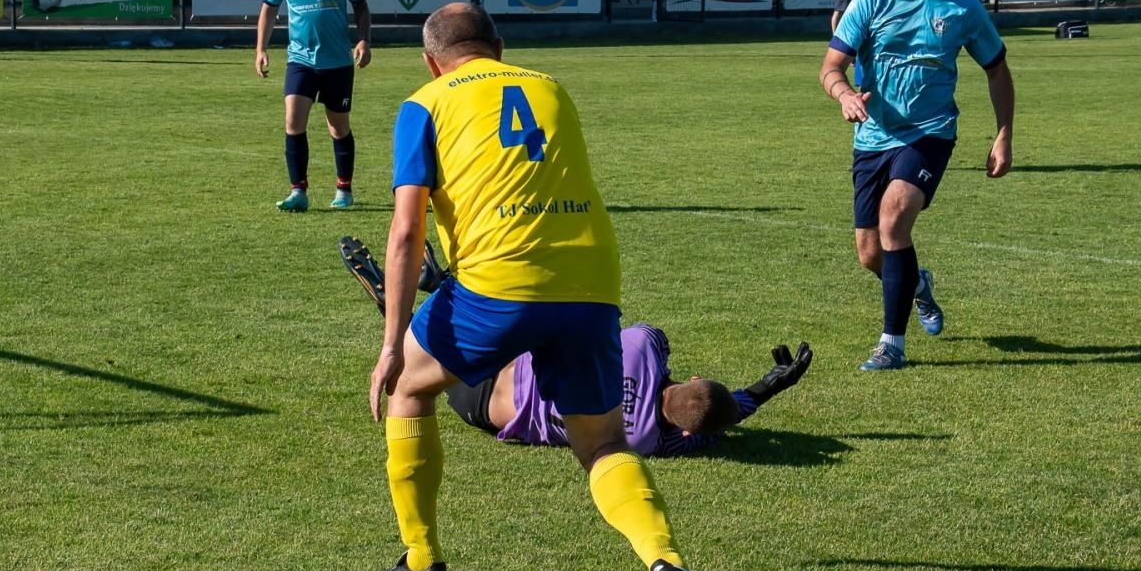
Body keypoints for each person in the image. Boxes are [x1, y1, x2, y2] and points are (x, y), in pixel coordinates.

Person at [368, 2, 750, 571]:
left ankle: (421, 557)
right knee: (601, 442)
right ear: (499, 44)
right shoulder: (550, 87)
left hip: (498, 280)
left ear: (431, 62)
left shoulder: (424, 103)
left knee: (409, 385)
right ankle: (666, 561)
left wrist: (389, 343)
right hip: (591, 280)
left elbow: (407, 229)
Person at [340, 235, 814, 457]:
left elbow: (643, 340)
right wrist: (769, 388)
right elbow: (707, 425)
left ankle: (435, 287)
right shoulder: (647, 441)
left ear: (690, 378)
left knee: (473, 333)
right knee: (435, 369)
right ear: (685, 435)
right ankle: (400, 301)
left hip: (511, 356)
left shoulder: (645, 347)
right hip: (483, 407)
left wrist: (753, 389)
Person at [819, 0, 1015, 372]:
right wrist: (844, 94)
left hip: (930, 133)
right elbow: (830, 66)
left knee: (894, 218)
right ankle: (917, 285)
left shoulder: (963, 7)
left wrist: (1004, 134)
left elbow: (997, 70)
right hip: (873, 136)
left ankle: (892, 344)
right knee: (870, 253)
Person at [255, 0, 372, 212]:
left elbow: (361, 5)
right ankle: (299, 192)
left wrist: (363, 40)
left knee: (338, 127)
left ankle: (343, 189)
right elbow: (269, 8)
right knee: (293, 120)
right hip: (300, 59)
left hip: (338, 62)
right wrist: (261, 49)